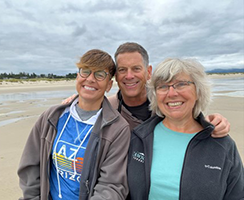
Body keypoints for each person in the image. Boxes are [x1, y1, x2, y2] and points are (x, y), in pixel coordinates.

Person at [18, 49, 131, 200]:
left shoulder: (117, 129)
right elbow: (30, 167)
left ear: (109, 85)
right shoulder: (51, 117)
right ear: (78, 76)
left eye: (99, 74)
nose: (90, 79)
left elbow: (111, 185)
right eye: (85, 71)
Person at [127, 58, 244, 200]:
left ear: (198, 91)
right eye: (163, 86)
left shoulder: (222, 145)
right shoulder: (139, 137)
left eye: (181, 84)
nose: (171, 93)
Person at [63, 42, 231, 137]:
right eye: (122, 70)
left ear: (148, 72)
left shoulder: (166, 103)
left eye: (136, 69)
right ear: (116, 76)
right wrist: (77, 101)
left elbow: (191, 117)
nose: (129, 76)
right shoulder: (107, 108)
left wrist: (215, 122)